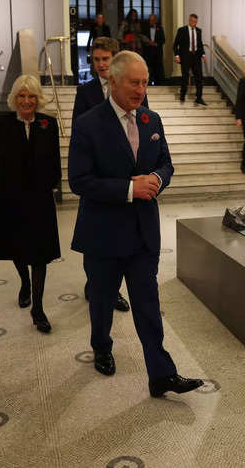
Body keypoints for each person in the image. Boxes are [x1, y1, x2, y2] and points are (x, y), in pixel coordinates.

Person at [68, 50, 203, 397]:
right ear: (113, 81)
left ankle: (161, 374)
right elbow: (79, 181)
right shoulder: (88, 123)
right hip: (103, 235)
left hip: (143, 234)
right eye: (134, 82)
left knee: (148, 305)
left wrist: (158, 178)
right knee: (101, 302)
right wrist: (130, 188)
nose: (141, 89)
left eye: (144, 82)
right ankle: (101, 347)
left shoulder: (151, 120)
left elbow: (166, 163)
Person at [0, 75, 62, 334]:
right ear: (14, 98)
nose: (26, 101)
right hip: (9, 196)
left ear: (38, 99)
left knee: (40, 254)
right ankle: (24, 283)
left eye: (31, 96)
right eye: (21, 96)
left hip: (39, 198)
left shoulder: (48, 124)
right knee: (16, 248)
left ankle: (37, 308)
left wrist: (53, 187)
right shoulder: (1, 124)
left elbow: (55, 162)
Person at [73, 36, 139, 312]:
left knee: (122, 241)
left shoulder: (129, 88)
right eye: (96, 59)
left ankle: (113, 291)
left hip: (122, 176)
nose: (101, 64)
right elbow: (79, 129)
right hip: (95, 179)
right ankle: (95, 284)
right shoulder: (85, 92)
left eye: (105, 59)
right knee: (95, 241)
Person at [173, 13, 207, 105]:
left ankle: (199, 97)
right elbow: (175, 44)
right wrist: (177, 56)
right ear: (189, 20)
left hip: (196, 57)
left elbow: (200, 44)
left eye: (195, 22)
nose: (194, 23)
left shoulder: (199, 31)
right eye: (192, 21)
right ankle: (182, 95)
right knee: (185, 76)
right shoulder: (182, 30)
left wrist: (203, 54)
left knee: (199, 77)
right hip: (185, 56)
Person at [142, 13, 165, 84]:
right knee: (148, 67)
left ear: (156, 20)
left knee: (158, 67)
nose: (152, 21)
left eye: (153, 20)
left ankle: (159, 82)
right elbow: (141, 39)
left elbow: (163, 40)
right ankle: (149, 82)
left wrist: (156, 44)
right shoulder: (145, 28)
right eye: (151, 20)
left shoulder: (160, 28)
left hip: (157, 51)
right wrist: (149, 43)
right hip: (148, 51)